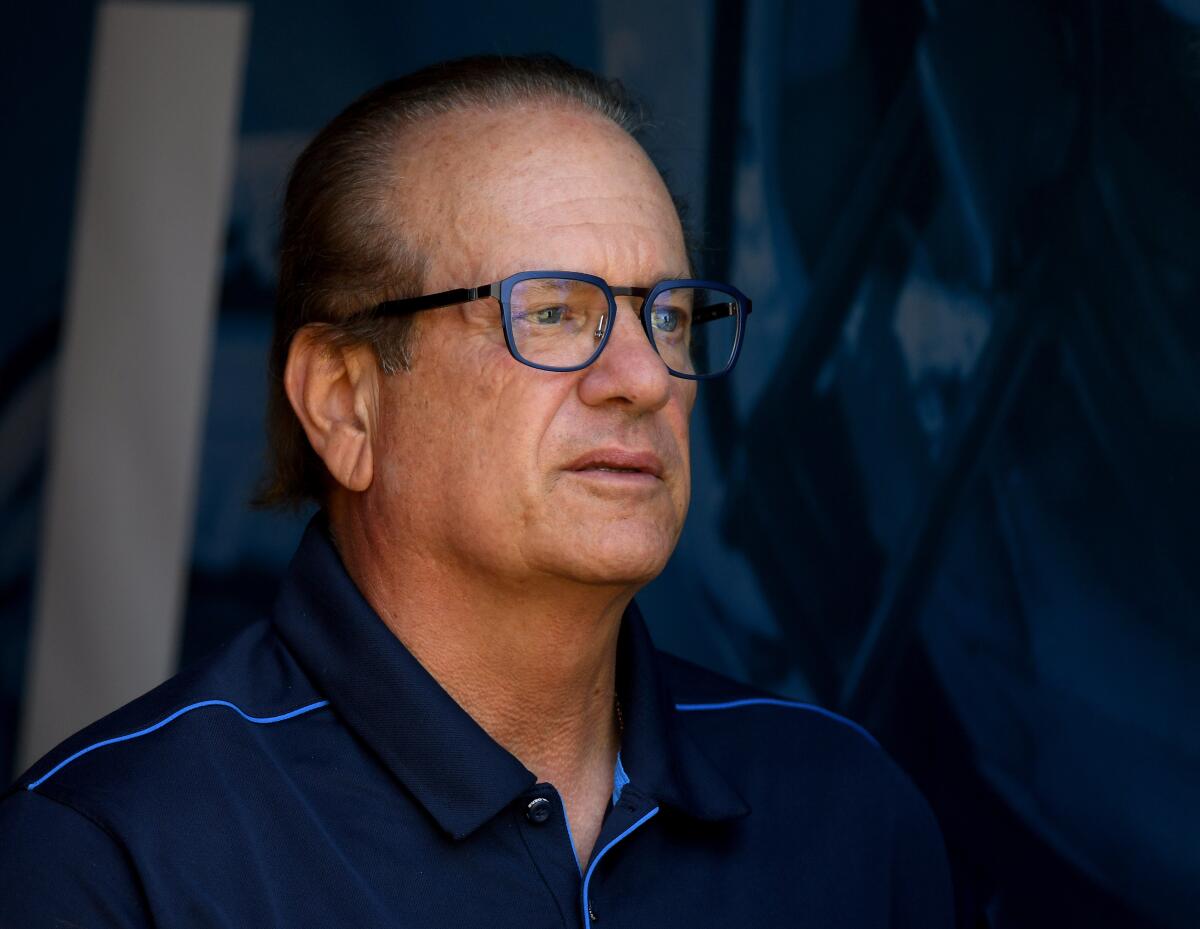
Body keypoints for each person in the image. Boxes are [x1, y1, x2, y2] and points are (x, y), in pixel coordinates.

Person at [0, 55, 952, 927]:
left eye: (669, 315)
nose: (646, 377)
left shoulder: (850, 816)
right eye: (551, 311)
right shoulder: (115, 860)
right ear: (345, 405)